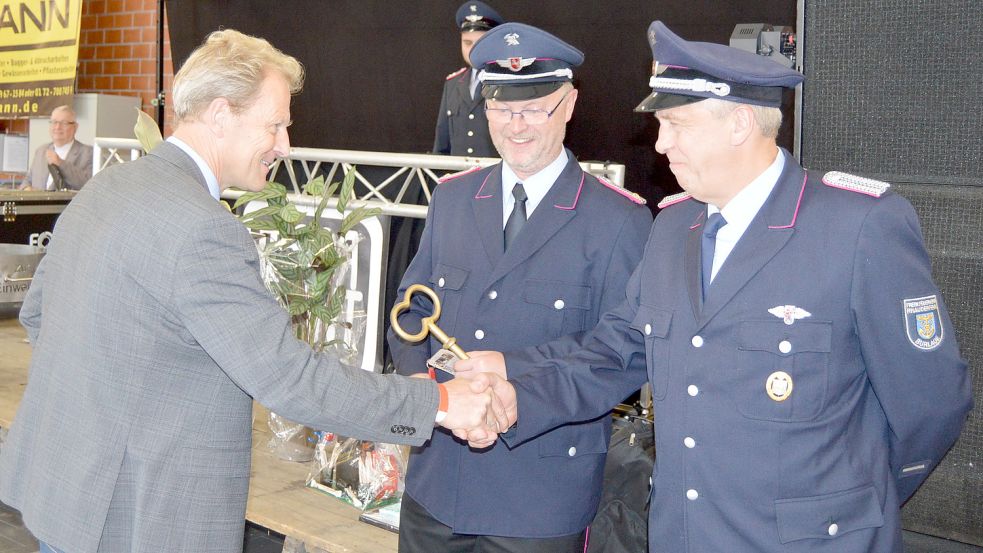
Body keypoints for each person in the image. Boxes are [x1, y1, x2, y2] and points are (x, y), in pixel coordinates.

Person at [459, 20, 973, 553]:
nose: (661, 145)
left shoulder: (857, 227)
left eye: (677, 125)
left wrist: (855, 499)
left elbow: (930, 405)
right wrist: (514, 380)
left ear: (739, 124)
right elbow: (613, 353)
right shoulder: (674, 227)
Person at [0, 29, 510, 553]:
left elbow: (40, 316)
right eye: (277, 125)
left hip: (67, 496)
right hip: (141, 519)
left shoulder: (106, 187)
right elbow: (290, 379)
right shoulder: (203, 228)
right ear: (221, 114)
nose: (286, 145)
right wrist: (440, 400)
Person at [389, 22, 653, 553]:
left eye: (536, 108)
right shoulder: (454, 199)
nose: (517, 125)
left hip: (538, 501)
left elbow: (625, 356)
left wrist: (512, 374)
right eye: (502, 108)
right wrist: (427, 394)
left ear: (570, 104)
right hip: (437, 486)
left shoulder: (618, 221)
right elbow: (410, 312)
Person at [431, 1, 503, 157]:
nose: (472, 50)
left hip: (494, 176)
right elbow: (442, 144)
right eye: (467, 43)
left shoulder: (505, 80)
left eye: (480, 43)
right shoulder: (453, 83)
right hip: (459, 177)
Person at [19, 105, 93, 191]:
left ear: (75, 127)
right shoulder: (41, 151)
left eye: (64, 123)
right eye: (54, 122)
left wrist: (60, 163)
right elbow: (28, 179)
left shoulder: (87, 153)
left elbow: (87, 184)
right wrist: (27, 189)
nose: (57, 127)